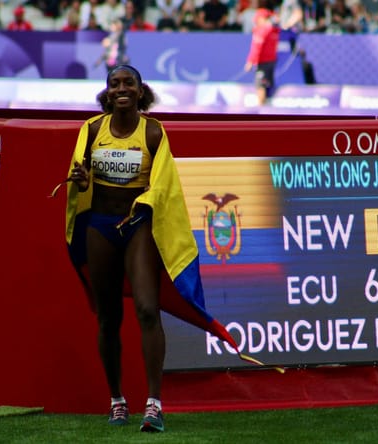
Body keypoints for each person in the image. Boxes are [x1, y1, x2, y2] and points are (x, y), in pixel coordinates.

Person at [63, 64, 261, 431]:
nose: (121, 89)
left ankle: (154, 404)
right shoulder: (92, 130)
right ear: (107, 93)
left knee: (147, 310)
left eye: (128, 84)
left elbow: (164, 186)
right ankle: (117, 401)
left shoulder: (153, 132)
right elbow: (80, 174)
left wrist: (140, 205)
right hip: (101, 229)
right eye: (114, 84)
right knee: (108, 317)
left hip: (138, 227)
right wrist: (82, 178)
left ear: (141, 92)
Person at [244, 0, 280, 105]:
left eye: (258, 19)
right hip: (272, 62)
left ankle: (262, 109)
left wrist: (250, 61)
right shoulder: (275, 30)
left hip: (263, 62)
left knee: (260, 86)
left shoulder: (261, 30)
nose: (256, 22)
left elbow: (256, 47)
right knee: (268, 85)